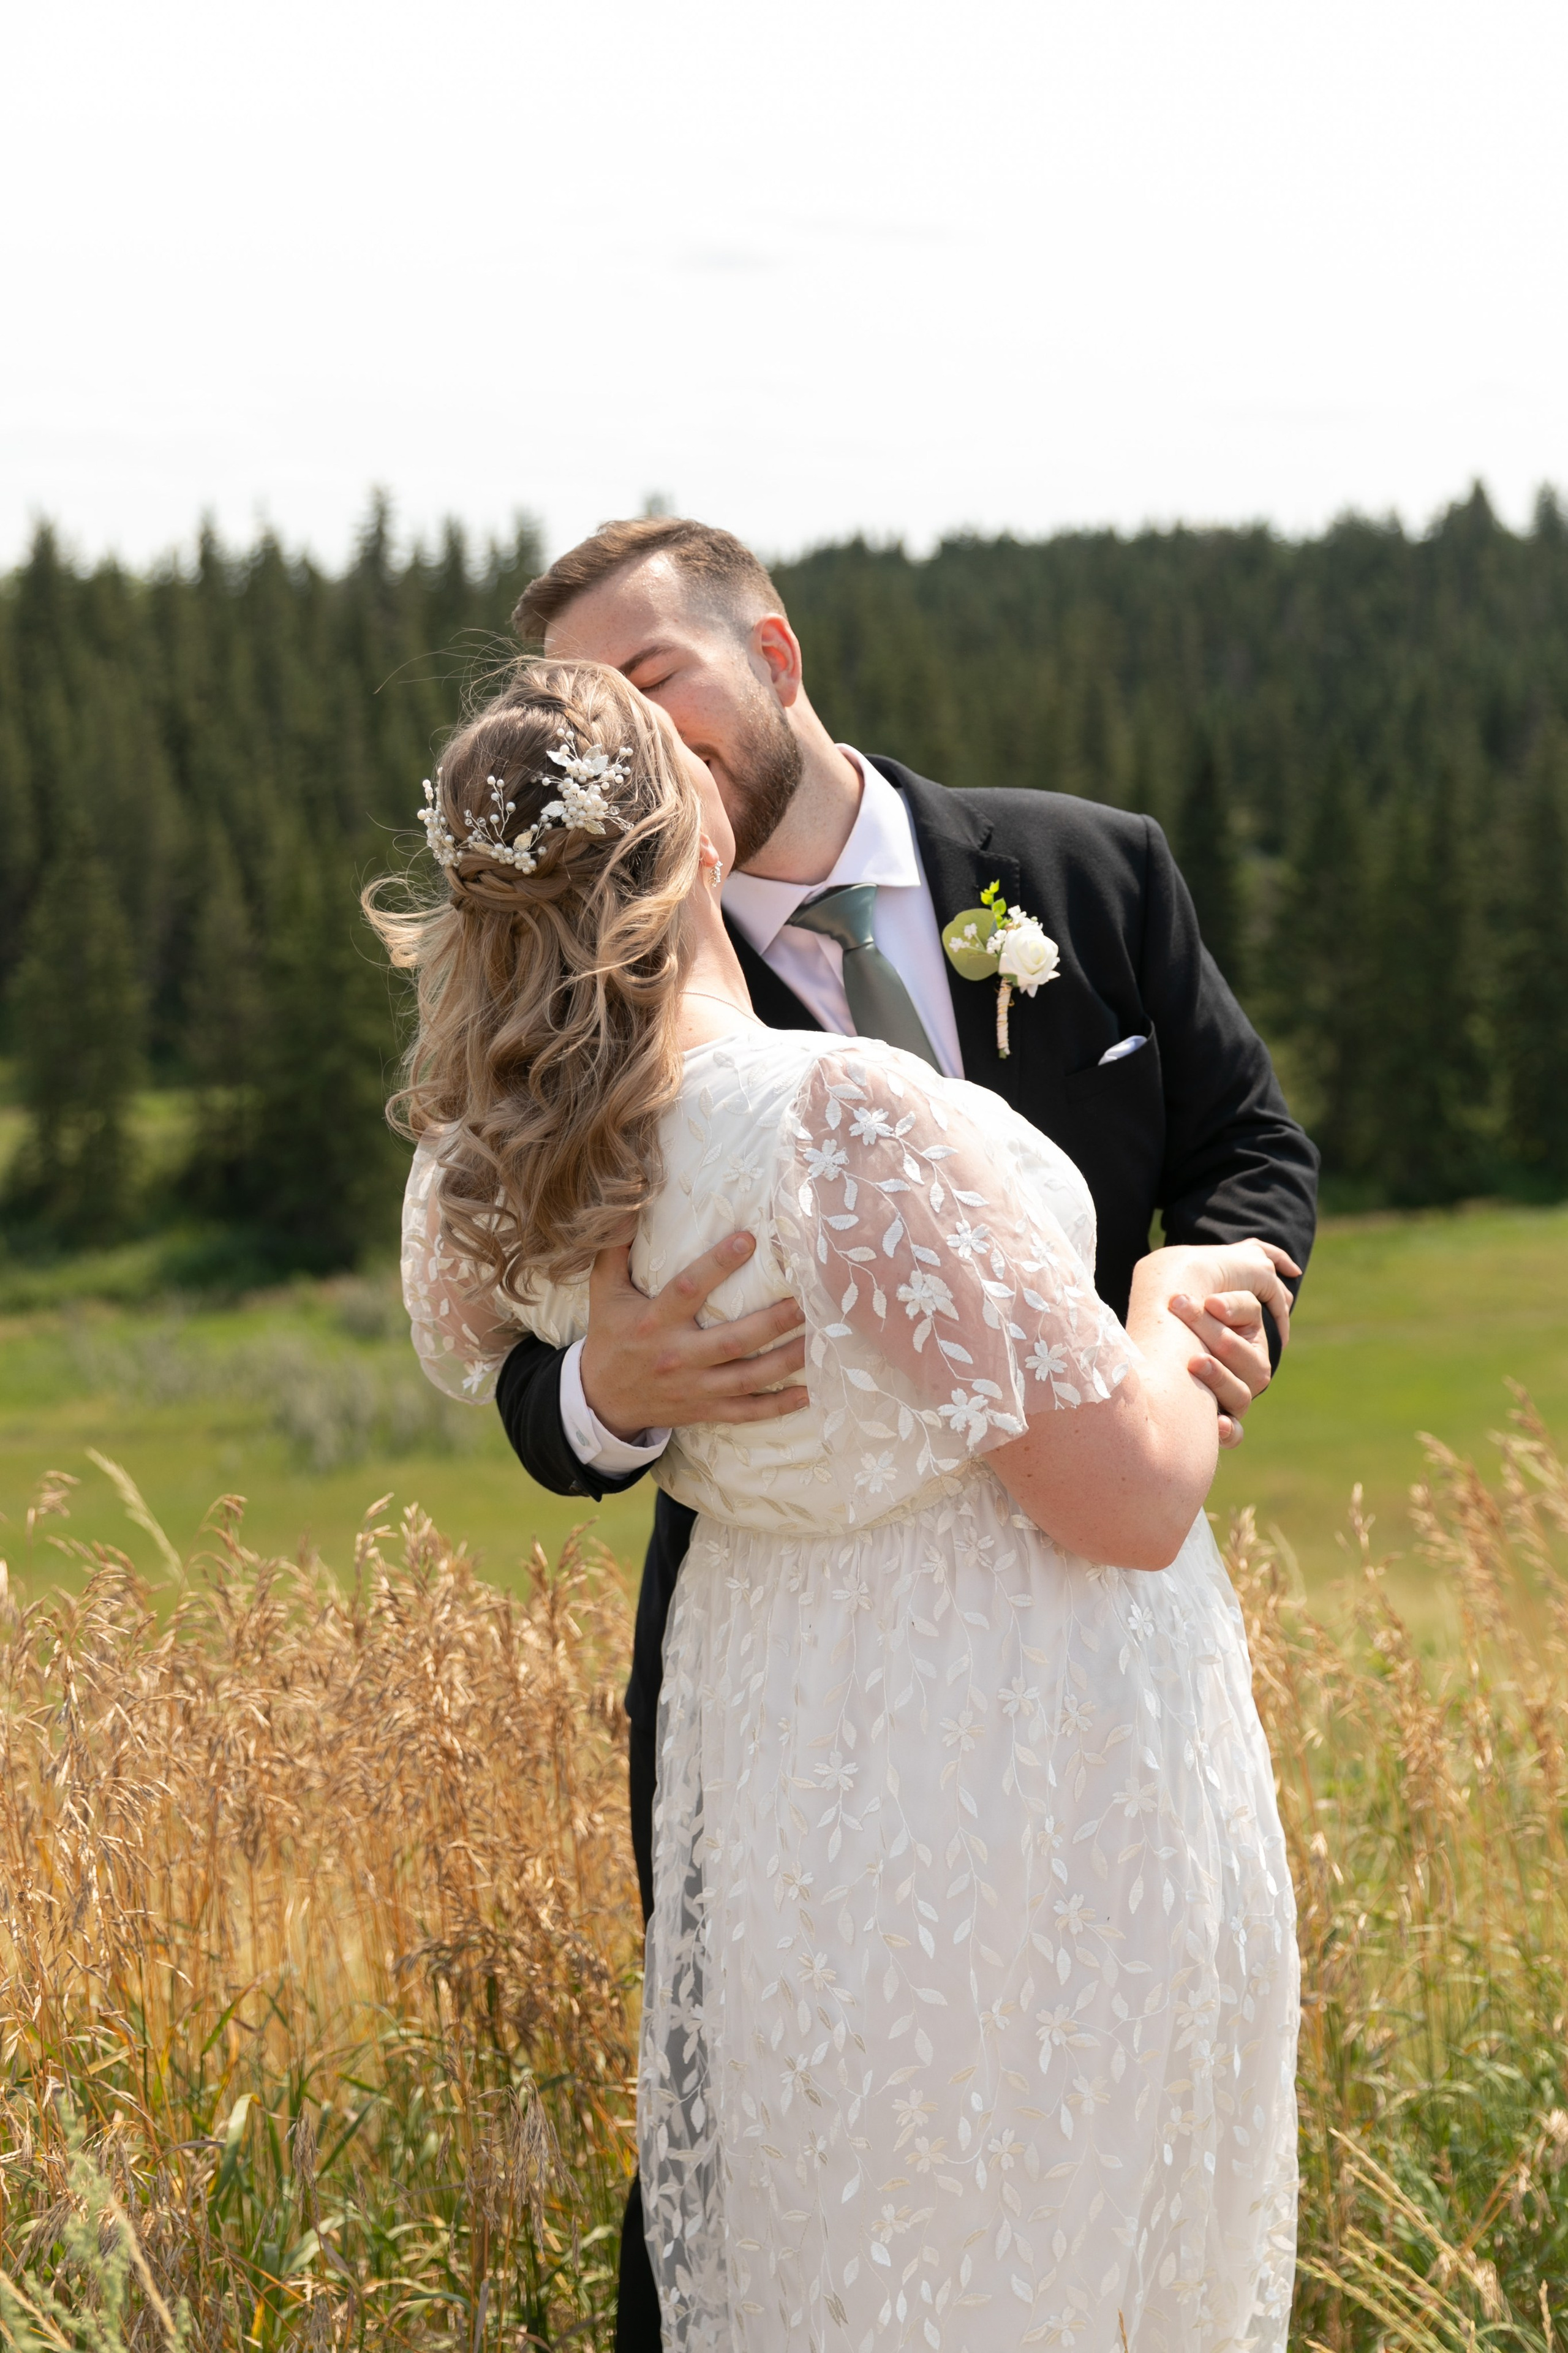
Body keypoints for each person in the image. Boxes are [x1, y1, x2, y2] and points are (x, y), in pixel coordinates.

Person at [379, 652, 1305, 2349]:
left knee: (852, 2248)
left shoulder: (481, 1166)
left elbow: (466, 1323)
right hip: (1022, 1770)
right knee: (1034, 2251)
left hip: (788, 1745)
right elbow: (1130, 1499)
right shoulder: (840, 1118)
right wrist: (1165, 1309)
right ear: (694, 849)